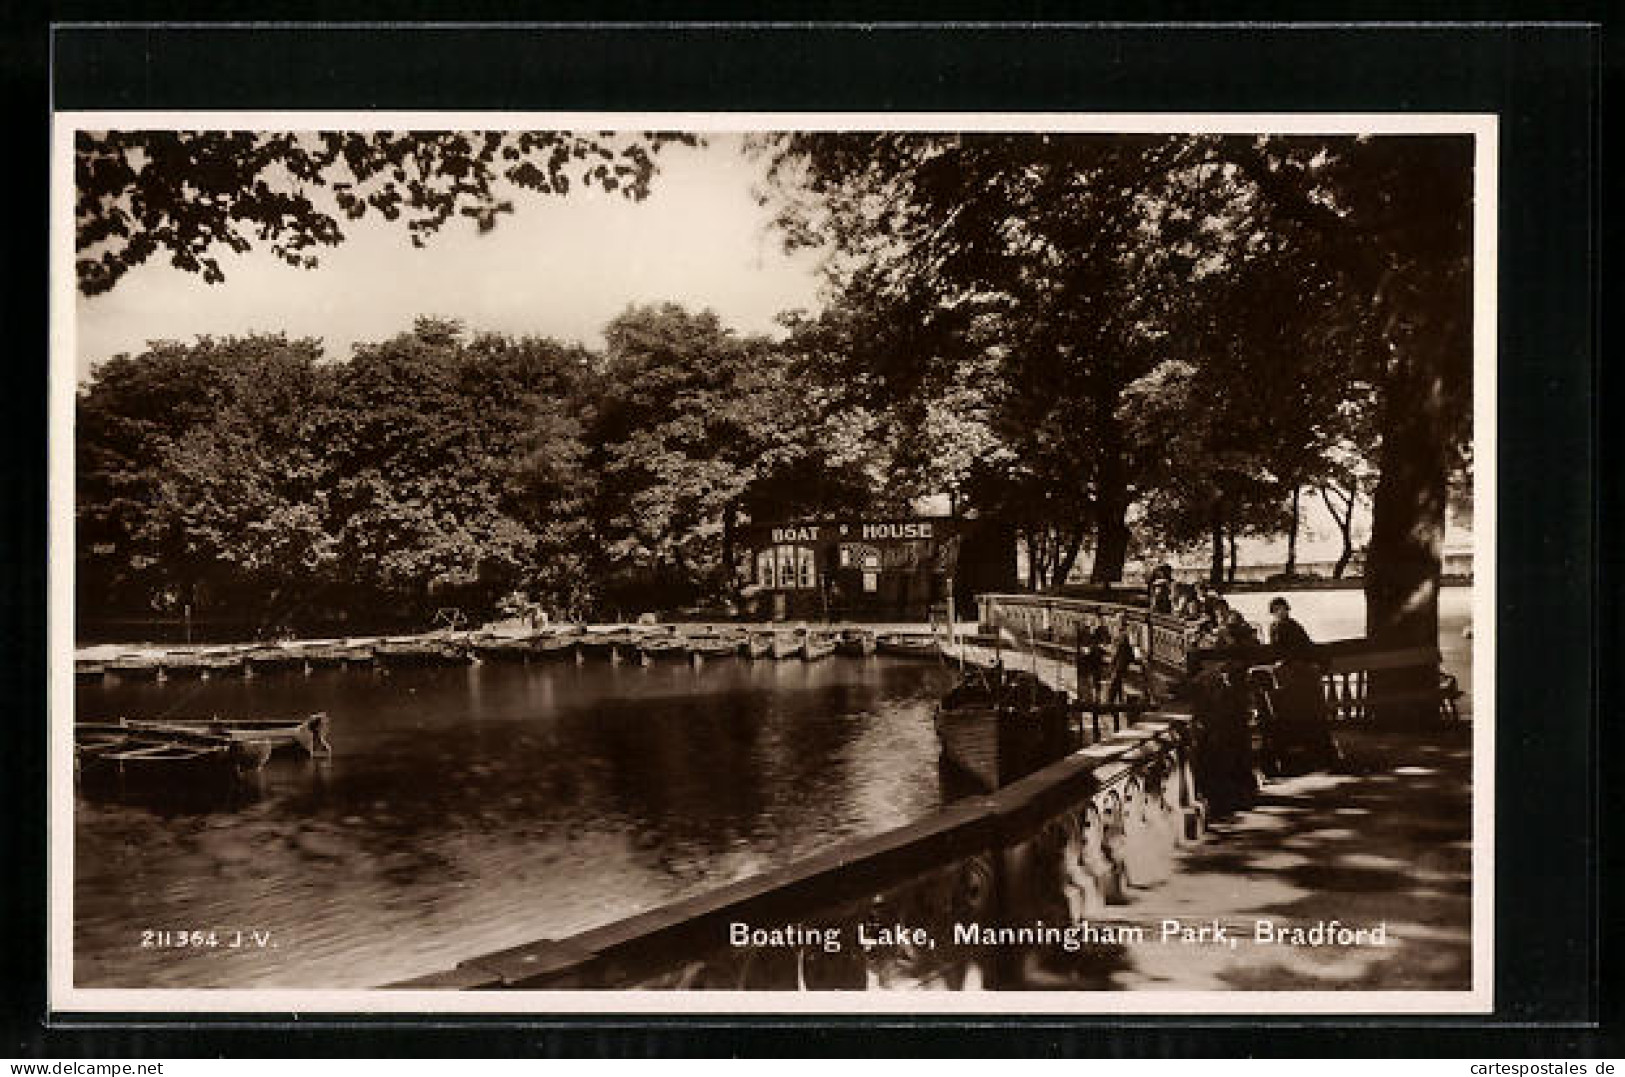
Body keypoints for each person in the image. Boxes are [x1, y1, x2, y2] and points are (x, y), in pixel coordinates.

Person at [1104, 614, 1137, 703]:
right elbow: (1116, 648)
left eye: (1120, 621)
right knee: (1115, 680)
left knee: (1115, 680)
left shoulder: (1126, 633)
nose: (1118, 624)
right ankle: (1116, 700)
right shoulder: (1120, 633)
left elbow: (1127, 647)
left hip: (1123, 660)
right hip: (1119, 659)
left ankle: (1110, 701)